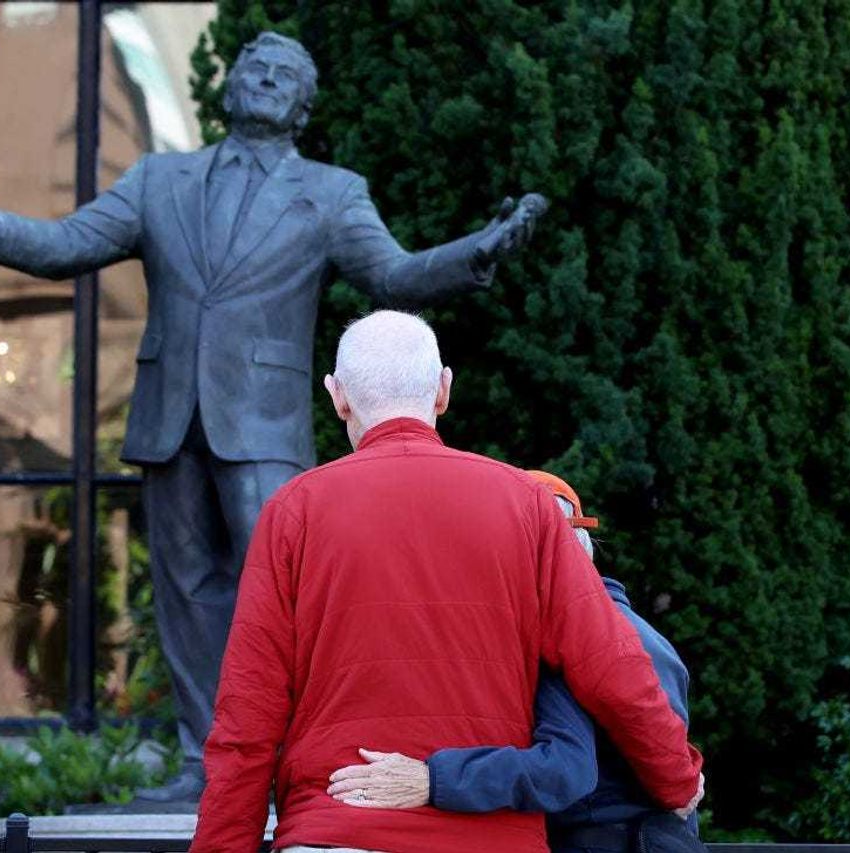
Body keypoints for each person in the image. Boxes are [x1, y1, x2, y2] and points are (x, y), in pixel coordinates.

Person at [0, 32, 547, 804]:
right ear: (231, 86)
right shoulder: (160, 179)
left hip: (264, 425)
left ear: (303, 106)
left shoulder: (332, 191)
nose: (267, 80)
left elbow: (394, 274)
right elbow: (68, 244)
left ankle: (297, 759)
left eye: (285, 76)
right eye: (256, 68)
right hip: (169, 418)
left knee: (286, 594)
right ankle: (204, 764)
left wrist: (478, 250)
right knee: (185, 596)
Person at [191, 311, 702, 853]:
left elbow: (246, 721)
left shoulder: (294, 510)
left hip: (337, 830)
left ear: (337, 396)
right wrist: (675, 776)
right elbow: (613, 668)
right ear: (443, 390)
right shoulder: (526, 505)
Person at [326, 471, 707, 853]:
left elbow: (563, 770)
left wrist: (430, 779)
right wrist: (683, 781)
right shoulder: (645, 633)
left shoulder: (569, 643)